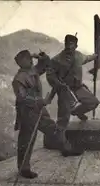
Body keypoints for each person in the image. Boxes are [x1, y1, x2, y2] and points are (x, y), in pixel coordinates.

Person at [12, 50, 82, 179]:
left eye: (30, 58)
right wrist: (41, 101)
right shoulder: (18, 79)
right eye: (28, 59)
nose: (31, 61)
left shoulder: (32, 70)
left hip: (39, 110)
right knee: (27, 140)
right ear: (22, 62)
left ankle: (66, 148)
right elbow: (23, 98)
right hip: (27, 112)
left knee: (53, 128)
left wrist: (41, 57)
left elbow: (45, 65)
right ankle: (24, 169)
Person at [46, 34, 100, 132]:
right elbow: (50, 75)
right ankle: (58, 141)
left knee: (93, 102)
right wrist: (58, 84)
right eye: (67, 44)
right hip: (65, 91)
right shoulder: (56, 60)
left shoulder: (78, 55)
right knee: (63, 120)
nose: (69, 46)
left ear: (76, 46)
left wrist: (94, 56)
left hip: (78, 88)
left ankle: (76, 112)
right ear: (65, 44)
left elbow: (86, 58)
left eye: (72, 44)